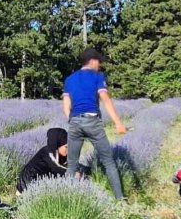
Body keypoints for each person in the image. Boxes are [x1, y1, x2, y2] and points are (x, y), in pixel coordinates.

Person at [62, 48, 128, 200]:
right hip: (93, 122)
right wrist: (118, 123)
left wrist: (73, 120)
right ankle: (120, 200)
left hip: (75, 122)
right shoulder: (97, 77)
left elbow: (66, 107)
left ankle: (66, 199)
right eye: (99, 62)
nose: (100, 65)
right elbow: (105, 99)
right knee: (108, 162)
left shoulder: (69, 79)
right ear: (92, 61)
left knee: (71, 165)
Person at [16, 128, 68, 194]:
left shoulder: (55, 152)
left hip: (39, 182)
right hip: (28, 186)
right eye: (66, 147)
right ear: (57, 145)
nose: (68, 150)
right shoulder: (49, 154)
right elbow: (58, 169)